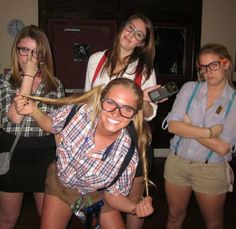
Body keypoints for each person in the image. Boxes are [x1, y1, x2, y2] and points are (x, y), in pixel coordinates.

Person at [14, 78, 154, 228]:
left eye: (126, 109)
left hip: (94, 195)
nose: (116, 113)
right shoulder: (78, 113)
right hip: (61, 186)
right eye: (110, 103)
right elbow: (51, 125)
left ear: (133, 115)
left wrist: (135, 208)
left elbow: (114, 195)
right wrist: (34, 111)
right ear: (101, 101)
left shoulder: (127, 156)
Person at [84, 13, 162, 229]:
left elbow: (149, 114)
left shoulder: (145, 70)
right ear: (121, 28)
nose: (131, 35)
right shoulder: (96, 60)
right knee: (98, 199)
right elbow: (88, 101)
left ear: (141, 43)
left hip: (133, 140)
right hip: (100, 138)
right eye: (130, 27)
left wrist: (144, 100)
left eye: (138, 34)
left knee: (132, 202)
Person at [164, 43, 236, 229]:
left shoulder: (234, 100)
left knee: (213, 223)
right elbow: (172, 126)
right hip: (177, 164)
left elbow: (223, 147)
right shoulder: (190, 88)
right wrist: (209, 132)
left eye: (213, 65)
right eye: (202, 67)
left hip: (211, 170)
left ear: (226, 64)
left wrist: (187, 126)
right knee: (174, 216)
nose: (207, 72)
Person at [0, 25, 65, 228]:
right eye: (24, 50)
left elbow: (55, 126)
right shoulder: (5, 82)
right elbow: (14, 118)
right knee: (8, 218)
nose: (29, 57)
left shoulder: (55, 85)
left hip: (45, 155)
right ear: (16, 51)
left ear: (43, 55)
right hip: (12, 154)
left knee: (46, 217)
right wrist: (28, 76)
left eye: (35, 52)